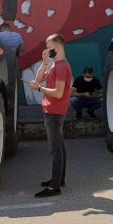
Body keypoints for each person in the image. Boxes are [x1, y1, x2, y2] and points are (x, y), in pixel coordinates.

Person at [29, 34, 72, 198]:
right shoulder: (56, 65)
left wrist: (39, 89)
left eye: (49, 47)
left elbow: (58, 93)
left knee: (55, 149)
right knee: (59, 146)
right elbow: (39, 78)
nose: (46, 50)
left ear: (58, 47)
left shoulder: (61, 67)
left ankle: (55, 187)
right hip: (54, 111)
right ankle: (58, 180)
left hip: (54, 111)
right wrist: (45, 62)